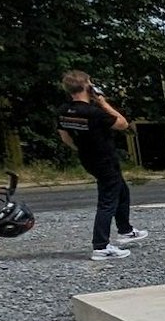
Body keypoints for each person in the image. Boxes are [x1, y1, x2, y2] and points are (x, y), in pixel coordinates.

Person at [57, 70, 148, 261]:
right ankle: (101, 246)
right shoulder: (93, 112)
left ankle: (125, 229)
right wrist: (103, 103)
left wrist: (80, 148)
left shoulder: (64, 110)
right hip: (104, 159)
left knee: (121, 189)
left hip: (88, 158)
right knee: (107, 201)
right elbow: (123, 124)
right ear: (87, 87)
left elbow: (65, 137)